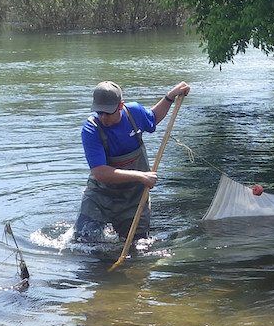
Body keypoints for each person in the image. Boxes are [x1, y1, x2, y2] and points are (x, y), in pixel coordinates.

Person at [74, 79, 190, 243]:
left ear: (120, 106)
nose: (103, 117)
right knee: (83, 242)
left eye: (108, 112)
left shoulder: (134, 113)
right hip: (100, 195)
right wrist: (141, 176)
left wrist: (170, 96)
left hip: (134, 197)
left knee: (137, 245)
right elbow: (100, 173)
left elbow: (153, 117)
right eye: (100, 112)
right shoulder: (91, 128)